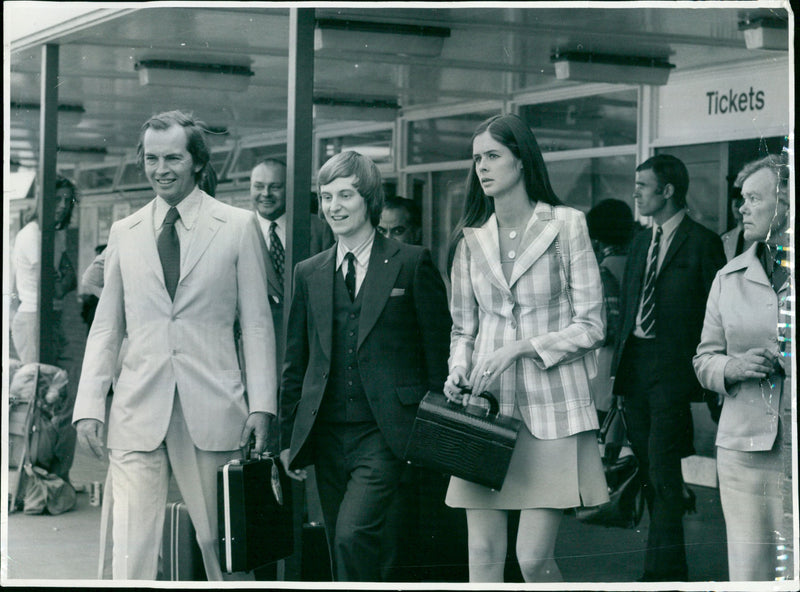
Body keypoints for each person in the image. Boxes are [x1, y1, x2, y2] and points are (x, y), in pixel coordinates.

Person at [72, 110, 277, 580]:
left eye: (172, 158)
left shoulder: (238, 226)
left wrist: (262, 406)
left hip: (213, 405)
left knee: (222, 546)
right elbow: (107, 326)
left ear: (197, 162)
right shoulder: (124, 233)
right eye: (151, 158)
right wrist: (89, 404)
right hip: (136, 407)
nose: (160, 168)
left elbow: (259, 325)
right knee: (130, 546)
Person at [443, 113, 608, 583]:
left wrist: (520, 348)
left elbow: (593, 324)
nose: (482, 167)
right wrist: (458, 370)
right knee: (482, 555)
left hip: (552, 415)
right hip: (486, 413)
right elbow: (463, 331)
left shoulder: (567, 224)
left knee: (533, 559)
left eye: (493, 156)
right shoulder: (470, 241)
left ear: (521, 160)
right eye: (477, 159)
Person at [279, 150, 451, 582]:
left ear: (370, 199)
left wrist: (434, 436)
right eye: (326, 196)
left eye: (345, 195)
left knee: (352, 537)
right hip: (328, 435)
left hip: (387, 433)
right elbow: (295, 361)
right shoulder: (308, 272)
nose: (333, 206)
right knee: (351, 543)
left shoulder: (412, 262)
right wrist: (288, 436)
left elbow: (439, 358)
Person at [612, 154, 726, 582]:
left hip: (673, 374)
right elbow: (628, 308)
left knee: (661, 470)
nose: (637, 192)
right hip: (636, 369)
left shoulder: (701, 242)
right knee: (649, 470)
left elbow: (716, 315)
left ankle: (659, 574)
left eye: (643, 185)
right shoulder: (640, 241)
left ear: (668, 191)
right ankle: (668, 566)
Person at [693, 153, 791, 581]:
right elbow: (704, 359)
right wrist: (731, 368)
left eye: (754, 198)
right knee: (748, 573)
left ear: (785, 204)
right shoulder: (727, 276)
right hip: (742, 449)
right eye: (742, 199)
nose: (742, 208)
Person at [249, 158, 334, 369]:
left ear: (290, 188)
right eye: (259, 186)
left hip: (309, 346)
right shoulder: (236, 230)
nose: (266, 194)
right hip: (256, 348)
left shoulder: (319, 229)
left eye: (275, 187)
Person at [10, 175, 78, 364]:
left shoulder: (56, 235)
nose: (63, 205)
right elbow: (51, 285)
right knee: (38, 381)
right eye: (57, 199)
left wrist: (60, 284)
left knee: (58, 378)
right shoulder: (32, 235)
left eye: (67, 200)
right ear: (44, 200)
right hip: (33, 317)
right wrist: (61, 284)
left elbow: (71, 277)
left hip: (53, 314)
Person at [586, 199, 635, 420]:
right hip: (634, 361)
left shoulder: (603, 270)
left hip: (607, 365)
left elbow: (603, 331)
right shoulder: (637, 263)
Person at [720, 186, 752, 262]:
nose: (735, 205)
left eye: (741, 198)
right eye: (733, 199)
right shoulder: (724, 239)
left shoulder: (760, 240)